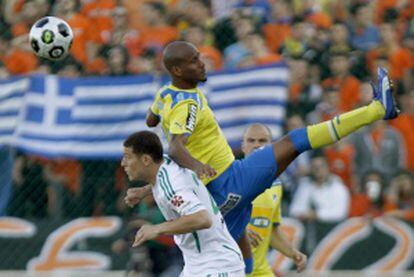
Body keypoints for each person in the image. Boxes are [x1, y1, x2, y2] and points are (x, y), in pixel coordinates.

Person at [126, 41, 398, 273]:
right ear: (177, 70)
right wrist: (198, 165)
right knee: (295, 141)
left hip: (216, 190)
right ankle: (376, 110)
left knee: (238, 242)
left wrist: (150, 187)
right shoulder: (188, 103)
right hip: (228, 183)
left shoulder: (165, 94)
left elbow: (151, 119)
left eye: (199, 57)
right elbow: (174, 147)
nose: (202, 62)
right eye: (194, 61)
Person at [121, 130, 245, 277]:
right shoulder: (165, 163)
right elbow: (170, 181)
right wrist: (144, 190)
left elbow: (202, 218)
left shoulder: (172, 184)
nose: (123, 163)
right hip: (196, 265)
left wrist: (156, 229)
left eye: (128, 157)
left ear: (146, 160)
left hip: (216, 265)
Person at [242, 124, 307, 276]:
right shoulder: (230, 179)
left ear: (272, 146)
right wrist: (239, 230)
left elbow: (270, 228)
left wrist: (292, 253)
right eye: (251, 141)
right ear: (243, 146)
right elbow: (212, 221)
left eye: (262, 141)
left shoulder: (276, 185)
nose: (256, 145)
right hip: (231, 269)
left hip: (260, 271)